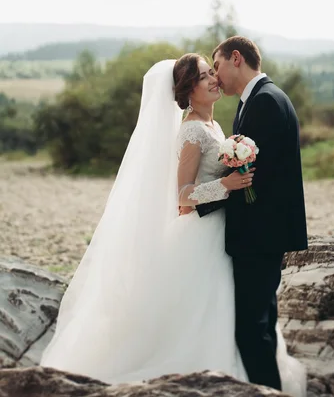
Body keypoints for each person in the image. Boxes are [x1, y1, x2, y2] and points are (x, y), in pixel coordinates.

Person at [40, 53, 306, 396]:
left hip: (226, 232)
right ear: (188, 90)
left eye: (213, 72)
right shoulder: (193, 130)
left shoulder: (214, 125)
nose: (214, 80)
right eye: (204, 76)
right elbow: (183, 197)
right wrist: (225, 186)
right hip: (201, 235)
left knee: (235, 311)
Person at [197, 36, 308, 391]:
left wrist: (200, 201)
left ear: (235, 58)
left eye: (216, 67)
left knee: (251, 330)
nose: (216, 76)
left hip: (259, 237)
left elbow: (249, 179)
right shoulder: (261, 99)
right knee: (261, 325)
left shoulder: (264, 103)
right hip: (264, 235)